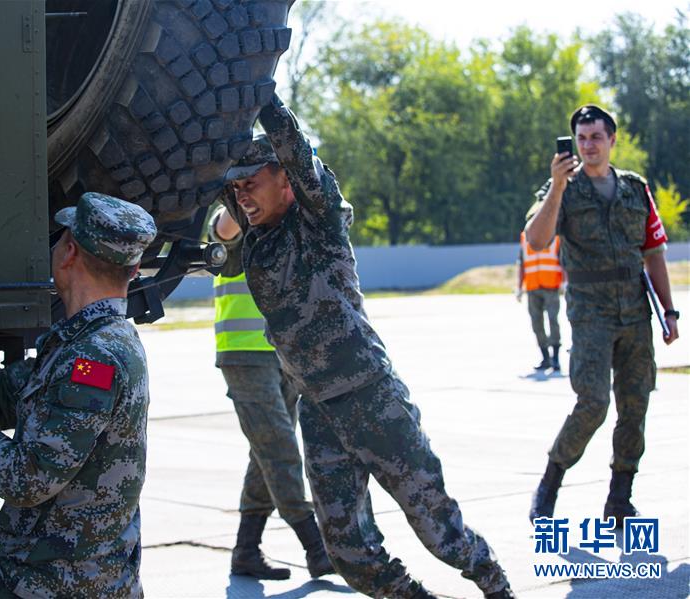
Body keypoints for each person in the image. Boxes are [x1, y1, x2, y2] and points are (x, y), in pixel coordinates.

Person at [211, 95, 514, 599]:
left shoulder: (321, 220)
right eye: (236, 187)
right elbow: (215, 174)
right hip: (319, 410)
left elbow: (295, 150)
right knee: (350, 555)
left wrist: (257, 90)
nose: (241, 195)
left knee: (440, 531)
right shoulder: (256, 236)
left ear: (285, 179)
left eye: (252, 183)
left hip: (371, 398)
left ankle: (495, 584)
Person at [0, 192, 157, 598]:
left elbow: (27, 479)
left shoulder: (92, 358)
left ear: (68, 252)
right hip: (65, 578)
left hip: (60, 585)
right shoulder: (87, 342)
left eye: (59, 238)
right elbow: (5, 397)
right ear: (135, 268)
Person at [525, 105, 680, 525]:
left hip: (635, 313)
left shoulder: (635, 188)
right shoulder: (564, 188)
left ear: (612, 140)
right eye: (581, 138)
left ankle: (619, 498)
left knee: (635, 406)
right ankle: (550, 483)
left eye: (596, 137)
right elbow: (537, 241)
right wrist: (557, 188)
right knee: (592, 403)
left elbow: (654, 253)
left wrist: (669, 311)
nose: (588, 145)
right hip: (590, 314)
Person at [209, 212, 332, 580]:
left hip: (285, 354)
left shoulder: (288, 234)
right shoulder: (237, 223)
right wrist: (250, 179)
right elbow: (221, 228)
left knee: (264, 455)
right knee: (279, 448)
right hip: (244, 355)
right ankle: (315, 544)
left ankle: (246, 550)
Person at [517, 231, 564, 370]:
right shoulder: (525, 238)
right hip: (532, 286)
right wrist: (519, 287)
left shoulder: (555, 237)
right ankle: (545, 358)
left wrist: (564, 282)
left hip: (551, 285)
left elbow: (563, 260)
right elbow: (522, 264)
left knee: (553, 320)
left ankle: (555, 358)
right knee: (537, 323)